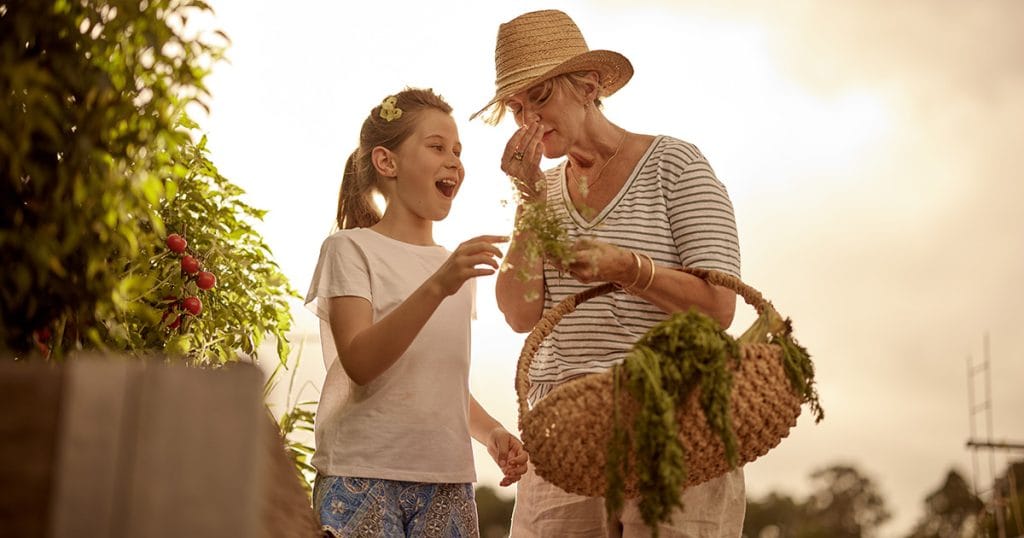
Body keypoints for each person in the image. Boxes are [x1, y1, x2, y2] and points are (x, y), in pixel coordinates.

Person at [471, 9, 745, 538]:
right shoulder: (541, 192)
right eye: (517, 107)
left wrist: (630, 269)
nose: (529, 120)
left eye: (541, 97)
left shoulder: (676, 164)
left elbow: (720, 308)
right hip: (562, 437)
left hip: (675, 424)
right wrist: (527, 201)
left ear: (589, 86)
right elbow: (519, 313)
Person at [305, 88, 529, 537]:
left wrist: (490, 433)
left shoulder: (453, 268)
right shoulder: (350, 249)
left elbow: (437, 384)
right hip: (362, 476)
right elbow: (361, 363)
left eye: (458, 151)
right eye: (436, 146)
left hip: (448, 482)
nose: (454, 161)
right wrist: (439, 285)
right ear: (387, 162)